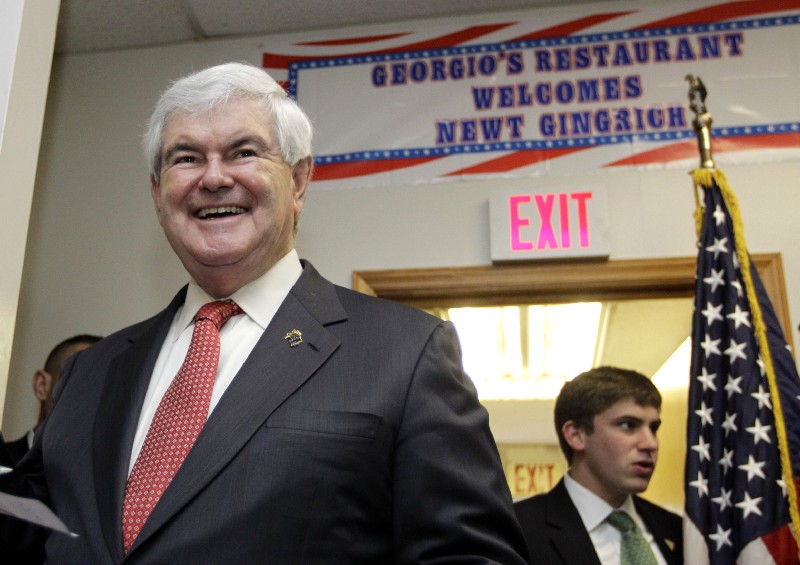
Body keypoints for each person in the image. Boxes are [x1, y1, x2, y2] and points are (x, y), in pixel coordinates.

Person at [0, 62, 528, 564]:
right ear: (157, 194)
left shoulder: (407, 353)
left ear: (298, 180)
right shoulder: (91, 371)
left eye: (244, 152)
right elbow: (31, 524)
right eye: (186, 158)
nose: (213, 178)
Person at [514, 366, 682, 565]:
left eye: (653, 428)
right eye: (628, 425)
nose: (650, 443)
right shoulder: (517, 531)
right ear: (576, 435)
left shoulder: (676, 529)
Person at [0, 334, 102, 468]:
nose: (92, 399)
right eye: (80, 382)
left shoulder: (110, 475)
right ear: (42, 386)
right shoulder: (4, 460)